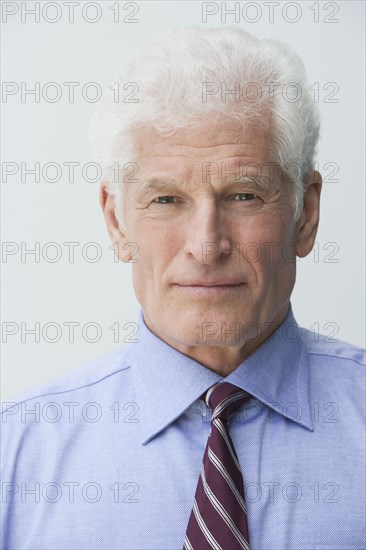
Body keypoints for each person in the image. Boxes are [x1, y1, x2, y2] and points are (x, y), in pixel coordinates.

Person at [1, 27, 364, 550]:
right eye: (167, 200)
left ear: (305, 214)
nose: (206, 244)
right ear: (116, 221)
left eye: (243, 195)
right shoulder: (14, 457)